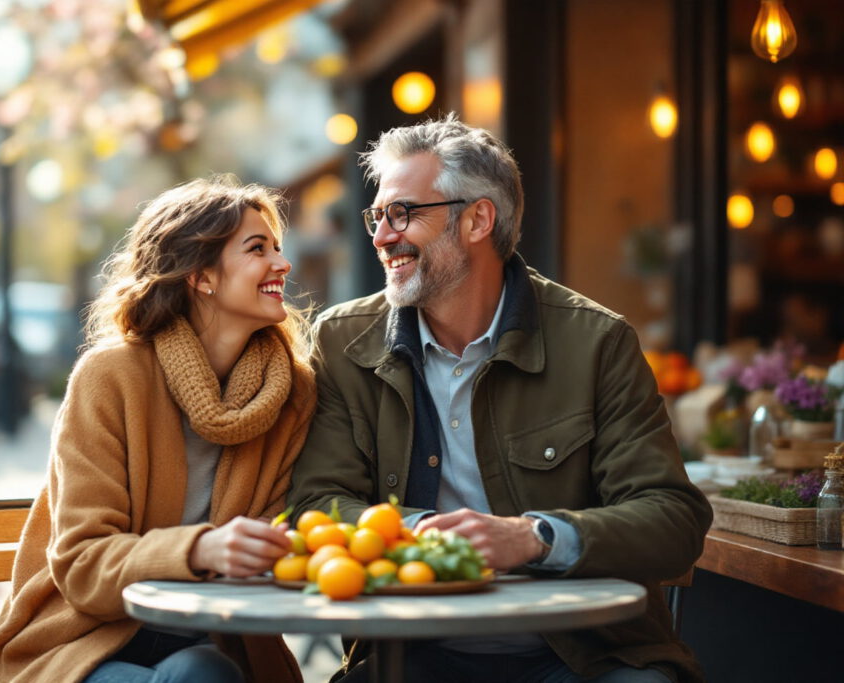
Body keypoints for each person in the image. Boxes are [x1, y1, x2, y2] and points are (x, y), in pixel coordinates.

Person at [288, 114, 712, 683]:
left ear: (478, 220)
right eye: (377, 216)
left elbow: (673, 520)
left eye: (403, 213)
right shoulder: (343, 341)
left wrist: (532, 538)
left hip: (582, 656)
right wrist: (426, 538)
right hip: (411, 657)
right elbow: (316, 502)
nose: (382, 235)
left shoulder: (595, 342)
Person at [0, 176, 316, 683]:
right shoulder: (110, 377)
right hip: (84, 642)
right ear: (200, 276)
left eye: (278, 249)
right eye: (258, 249)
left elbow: (280, 535)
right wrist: (200, 550)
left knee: (204, 670)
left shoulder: (289, 394)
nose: (282, 264)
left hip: (213, 639)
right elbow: (83, 564)